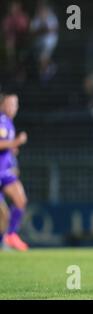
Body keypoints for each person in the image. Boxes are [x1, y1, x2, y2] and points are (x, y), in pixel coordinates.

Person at [0, 94, 28, 251]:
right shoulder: (1, 121)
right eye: (10, 104)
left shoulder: (9, 123)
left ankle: (11, 235)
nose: (13, 107)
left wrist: (12, 156)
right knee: (2, 215)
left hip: (5, 172)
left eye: (15, 104)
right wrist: (16, 142)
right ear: (2, 105)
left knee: (21, 200)